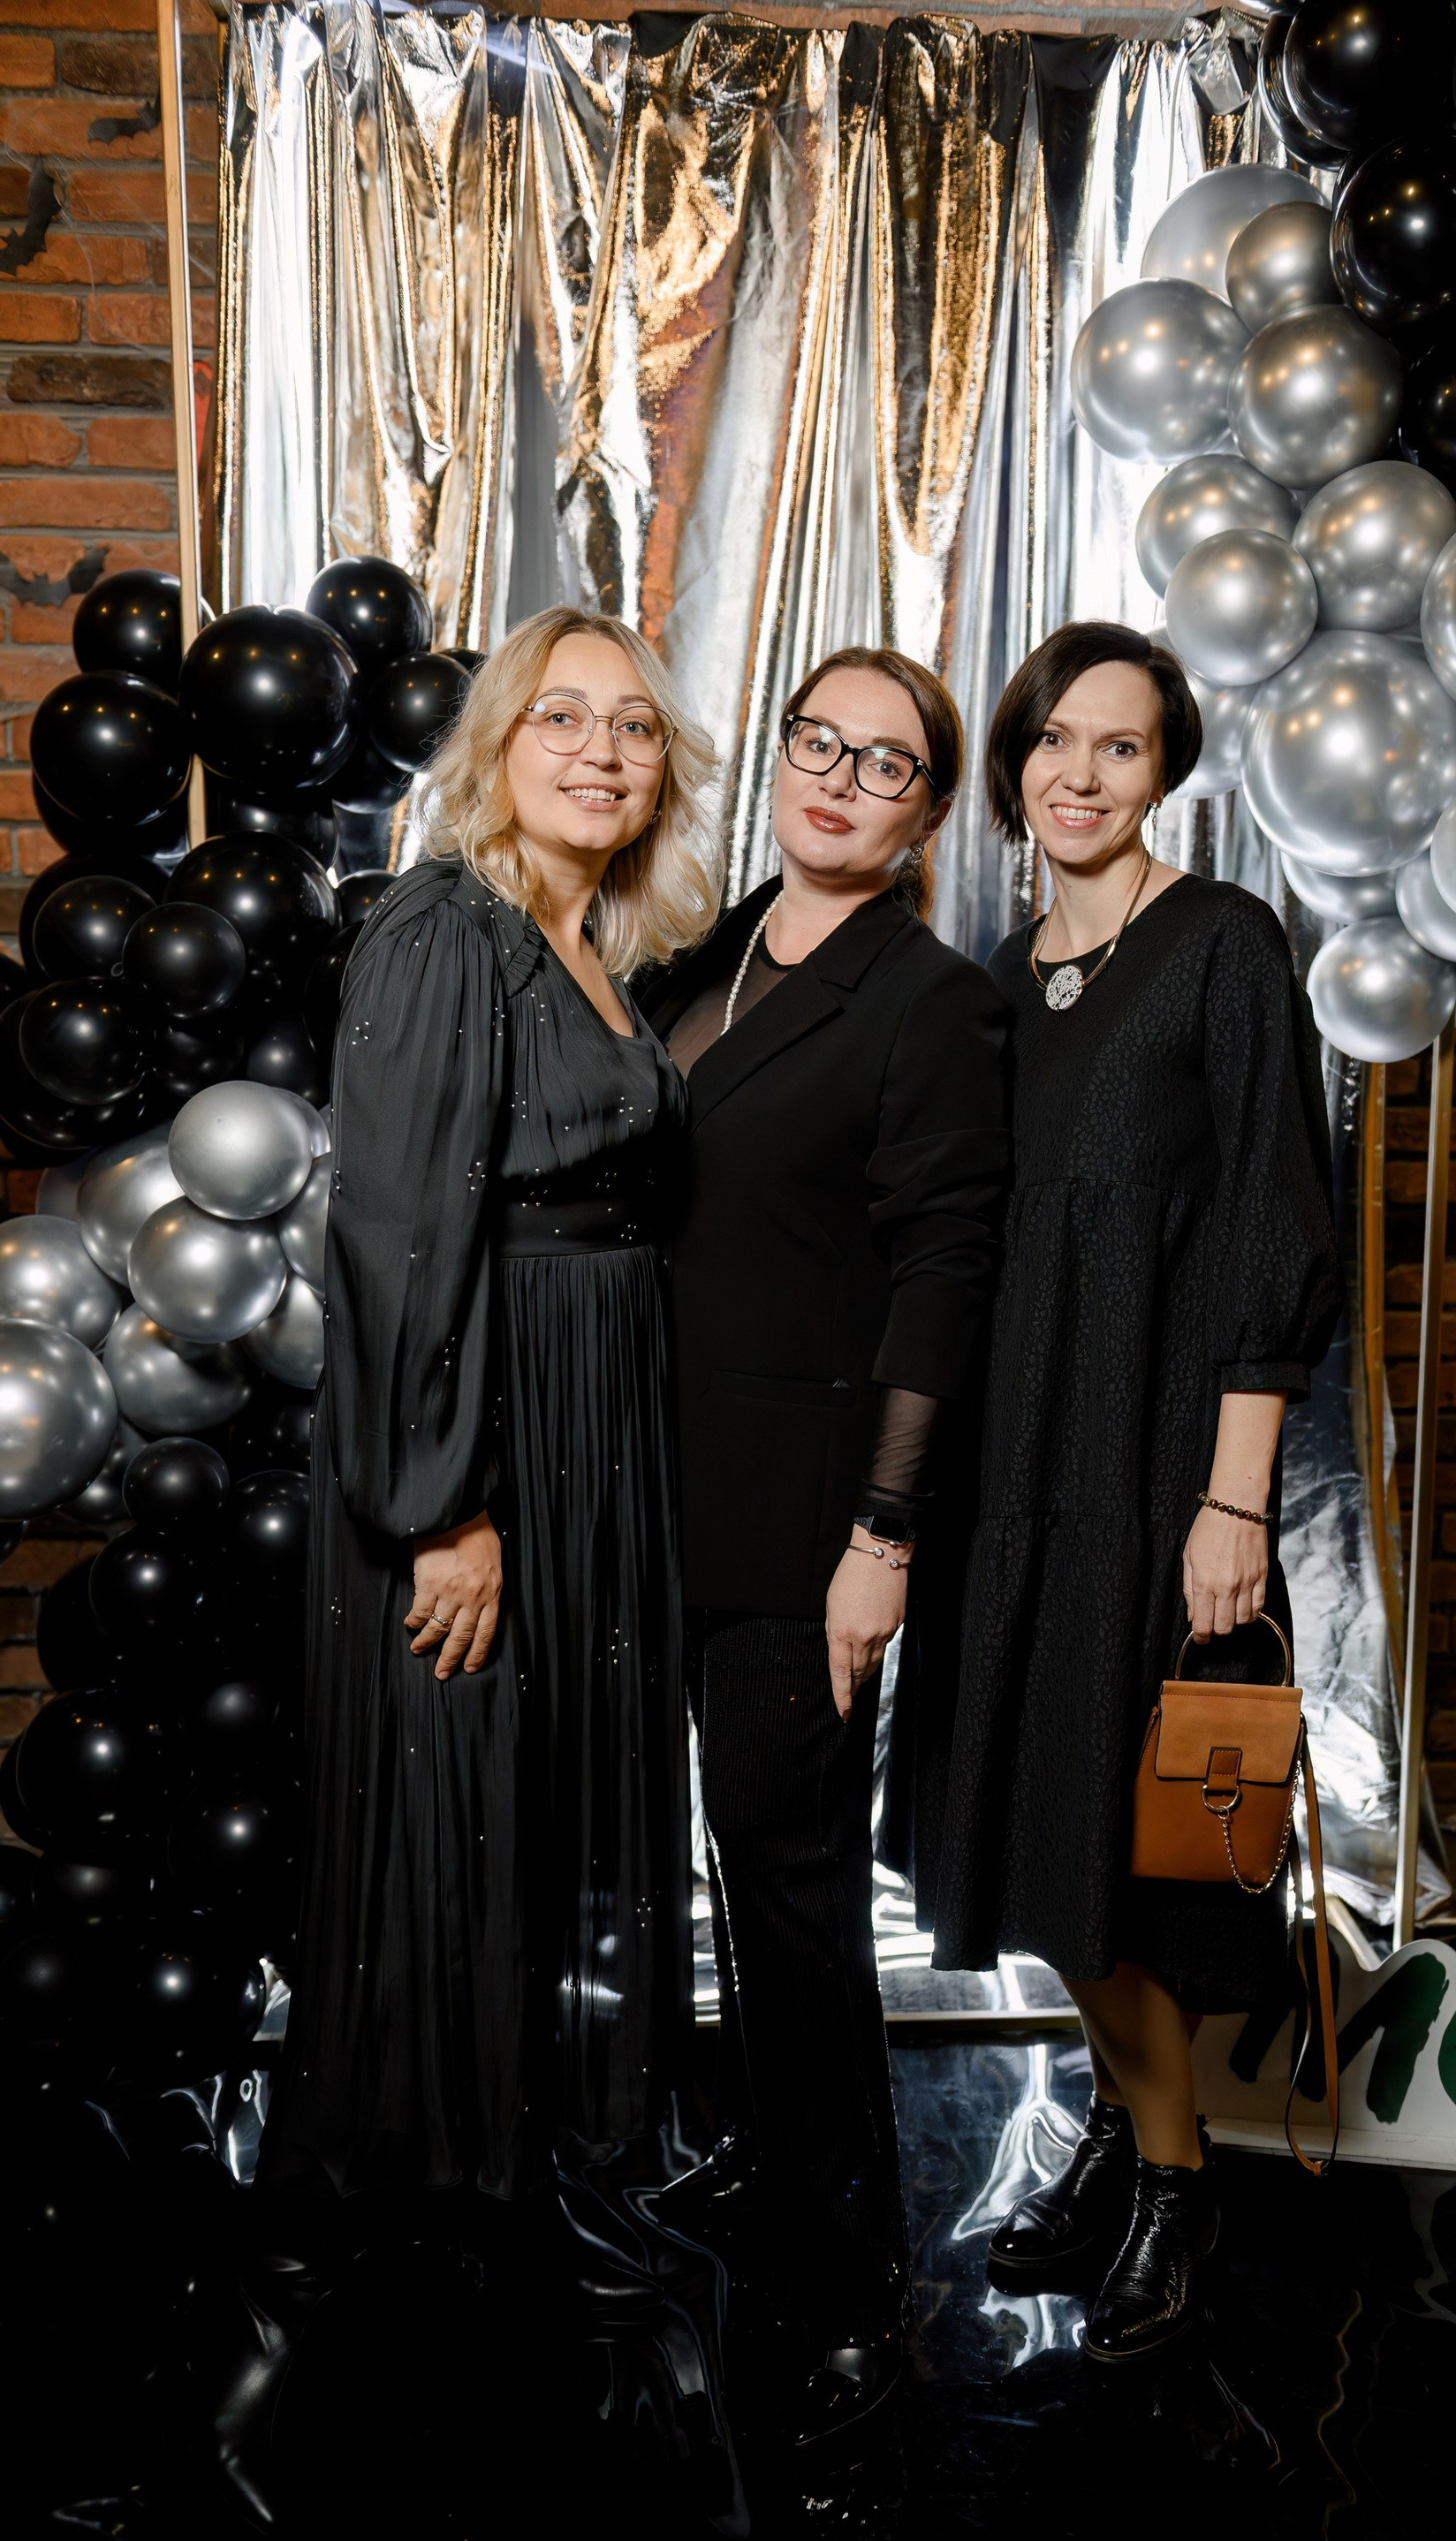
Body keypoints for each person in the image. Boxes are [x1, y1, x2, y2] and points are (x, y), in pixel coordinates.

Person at [228, 612, 725, 2516]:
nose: (599, 750)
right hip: (483, 1464)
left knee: (545, 1835)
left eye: (632, 727)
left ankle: (548, 2244)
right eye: (560, 719)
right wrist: (445, 1506)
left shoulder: (595, 948)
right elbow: (398, 1238)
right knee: (436, 1853)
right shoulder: (446, 930)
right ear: (498, 745)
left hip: (591, 1450)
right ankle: (299, 2324)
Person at [930, 621, 1341, 2364]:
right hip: (1010, 1470)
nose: (1080, 774)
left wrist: (1233, 1503)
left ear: (1164, 772)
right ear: (1017, 760)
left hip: (1156, 1466)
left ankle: (1176, 2182)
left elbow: (1271, 1219)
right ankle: (1122, 2127)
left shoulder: (1222, 945)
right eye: (1054, 740)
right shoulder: (1001, 974)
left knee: (1121, 1843)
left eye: (1120, 745)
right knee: (1048, 1836)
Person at [640, 646, 1009, 2446]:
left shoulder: (931, 1004)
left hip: (803, 1523)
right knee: (714, 1865)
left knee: (792, 1891)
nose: (841, 780)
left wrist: (886, 1533)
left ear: (926, 812)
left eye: (886, 763)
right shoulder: (701, 957)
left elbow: (946, 1277)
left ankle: (852, 2272)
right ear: (779, 755)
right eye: (818, 743)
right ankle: (755, 2155)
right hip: (649, 1491)